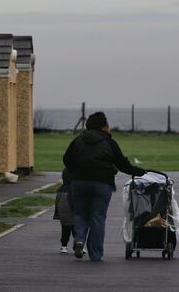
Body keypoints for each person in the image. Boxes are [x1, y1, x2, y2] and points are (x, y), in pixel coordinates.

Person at [63, 112, 147, 261]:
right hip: (102, 183)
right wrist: (139, 172)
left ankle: (79, 240)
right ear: (104, 126)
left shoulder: (78, 140)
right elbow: (123, 164)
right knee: (97, 217)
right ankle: (95, 255)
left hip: (79, 183)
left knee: (80, 214)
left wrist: (75, 172)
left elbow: (66, 159)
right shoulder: (109, 142)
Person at [52, 168, 74, 253]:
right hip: (74, 209)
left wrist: (57, 214)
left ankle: (64, 246)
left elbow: (57, 202)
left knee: (65, 228)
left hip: (63, 211)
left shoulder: (60, 189)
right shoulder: (76, 189)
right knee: (76, 228)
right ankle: (78, 244)